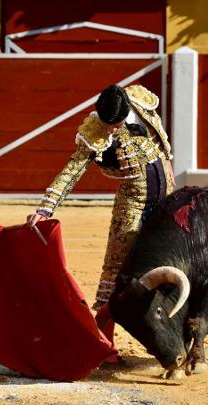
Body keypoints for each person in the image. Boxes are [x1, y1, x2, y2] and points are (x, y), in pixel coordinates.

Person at [26, 84, 175, 353]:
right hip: (133, 206)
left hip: (168, 201)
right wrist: (46, 208)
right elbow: (72, 170)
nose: (111, 130)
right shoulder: (96, 128)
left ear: (128, 112)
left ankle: (172, 333)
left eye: (116, 124)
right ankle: (104, 343)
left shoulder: (140, 103)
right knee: (116, 273)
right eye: (107, 124)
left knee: (177, 262)